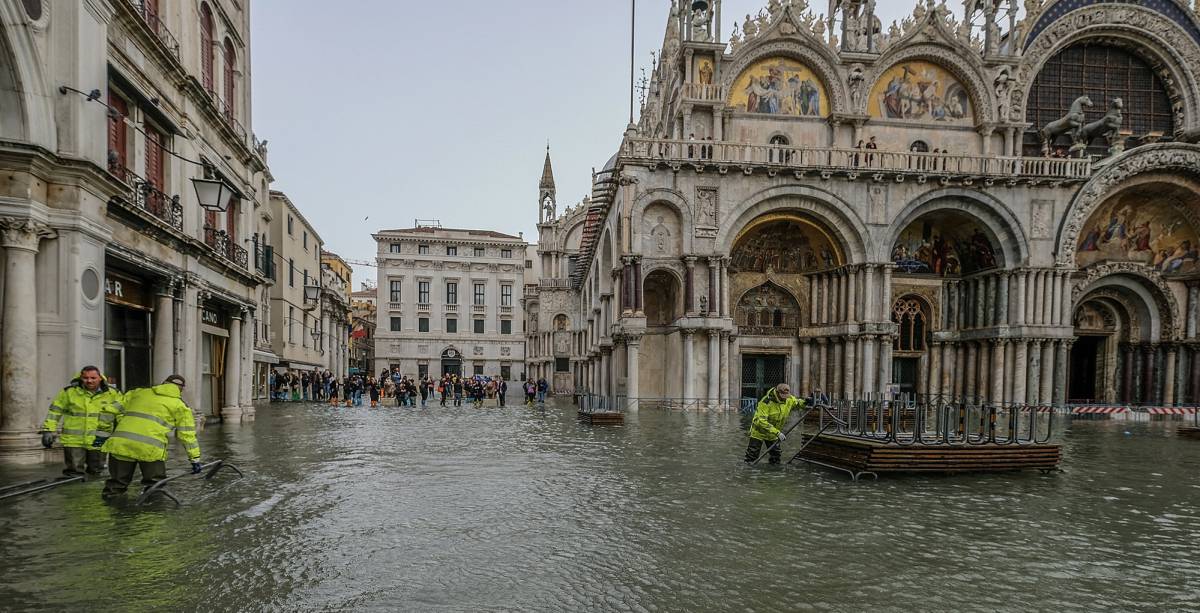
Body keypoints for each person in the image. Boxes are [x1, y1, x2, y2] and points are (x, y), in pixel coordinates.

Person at [100, 375, 201, 498]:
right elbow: (187, 436)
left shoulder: (137, 393)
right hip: (150, 450)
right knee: (155, 487)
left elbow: (108, 410)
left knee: (116, 485)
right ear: (181, 389)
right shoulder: (181, 406)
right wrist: (194, 459)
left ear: (163, 383)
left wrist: (101, 436)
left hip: (121, 444)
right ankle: (153, 513)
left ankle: (113, 509)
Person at [40, 366, 124, 477]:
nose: (89, 381)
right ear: (81, 378)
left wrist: (123, 434)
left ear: (100, 378)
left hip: (99, 439)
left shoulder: (113, 394)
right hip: (74, 440)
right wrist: (48, 430)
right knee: (73, 473)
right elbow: (55, 412)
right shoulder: (69, 392)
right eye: (85, 378)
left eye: (93, 378)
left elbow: (121, 415)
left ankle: (93, 493)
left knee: (97, 472)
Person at [743, 383, 804, 465]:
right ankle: (749, 472)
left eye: (786, 396)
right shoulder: (766, 402)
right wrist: (777, 433)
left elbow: (797, 403)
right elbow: (760, 420)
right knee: (751, 456)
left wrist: (807, 402)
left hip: (773, 434)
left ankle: (774, 472)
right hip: (758, 432)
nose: (784, 399)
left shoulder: (789, 399)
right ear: (777, 393)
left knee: (776, 456)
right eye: (783, 396)